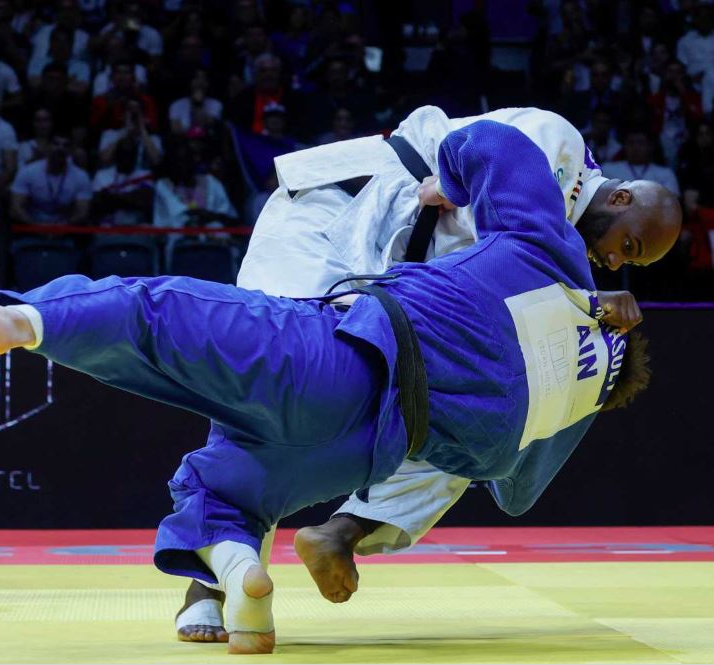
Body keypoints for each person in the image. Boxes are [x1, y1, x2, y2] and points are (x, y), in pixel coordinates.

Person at [0, 120, 680, 654]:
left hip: (343, 348)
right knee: (243, 480)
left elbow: (487, 146)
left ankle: (18, 321)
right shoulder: (552, 421)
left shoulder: (549, 251)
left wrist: (564, 282)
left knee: (159, 314)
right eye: (628, 249)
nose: (615, 265)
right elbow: (513, 489)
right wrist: (584, 321)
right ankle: (240, 582)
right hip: (361, 427)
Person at [172, 105, 685, 642]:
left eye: (628, 262)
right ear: (621, 197)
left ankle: (344, 532)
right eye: (627, 244)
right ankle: (207, 583)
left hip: (391, 277)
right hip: (338, 213)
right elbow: (486, 204)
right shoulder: (557, 143)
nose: (612, 259)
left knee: (475, 420)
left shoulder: (565, 257)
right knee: (267, 382)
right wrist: (588, 299)